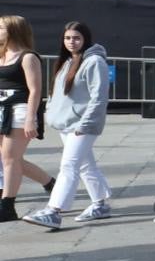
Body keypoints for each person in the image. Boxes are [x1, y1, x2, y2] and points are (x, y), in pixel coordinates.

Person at [23, 22, 111, 230]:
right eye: (68, 38)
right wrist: (51, 114)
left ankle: (54, 211)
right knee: (84, 165)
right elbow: (59, 94)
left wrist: (85, 124)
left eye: (76, 38)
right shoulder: (67, 61)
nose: (72, 42)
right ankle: (100, 204)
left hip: (82, 126)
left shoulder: (94, 61)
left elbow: (99, 97)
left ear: (85, 39)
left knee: (68, 166)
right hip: (67, 124)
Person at [0, 15, 53, 223]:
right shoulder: (2, 54)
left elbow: (35, 90)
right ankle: (50, 183)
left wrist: (31, 118)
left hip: (20, 110)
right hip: (2, 109)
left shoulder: (28, 57)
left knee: (10, 158)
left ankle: (7, 206)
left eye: (1, 27)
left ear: (13, 30)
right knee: (11, 158)